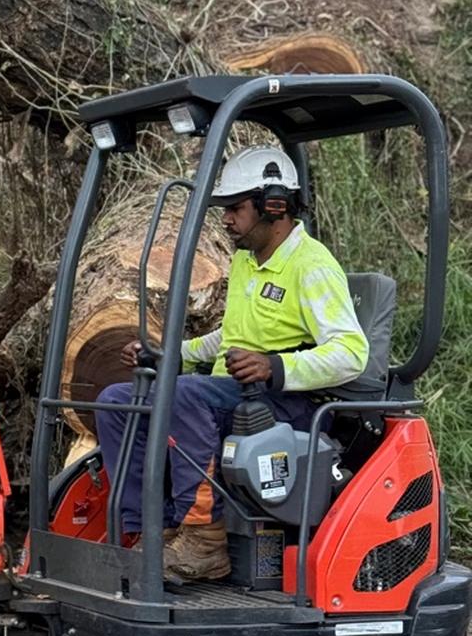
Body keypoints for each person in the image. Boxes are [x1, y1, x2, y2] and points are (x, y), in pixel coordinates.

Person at [95, 147, 370, 581]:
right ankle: (152, 530)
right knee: (116, 401)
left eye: (235, 208)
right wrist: (175, 354)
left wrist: (274, 366)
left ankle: (204, 541)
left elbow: (352, 353)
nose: (226, 220)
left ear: (273, 205)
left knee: (185, 395)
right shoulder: (246, 261)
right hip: (234, 395)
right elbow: (232, 336)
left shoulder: (311, 267)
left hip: (285, 403)